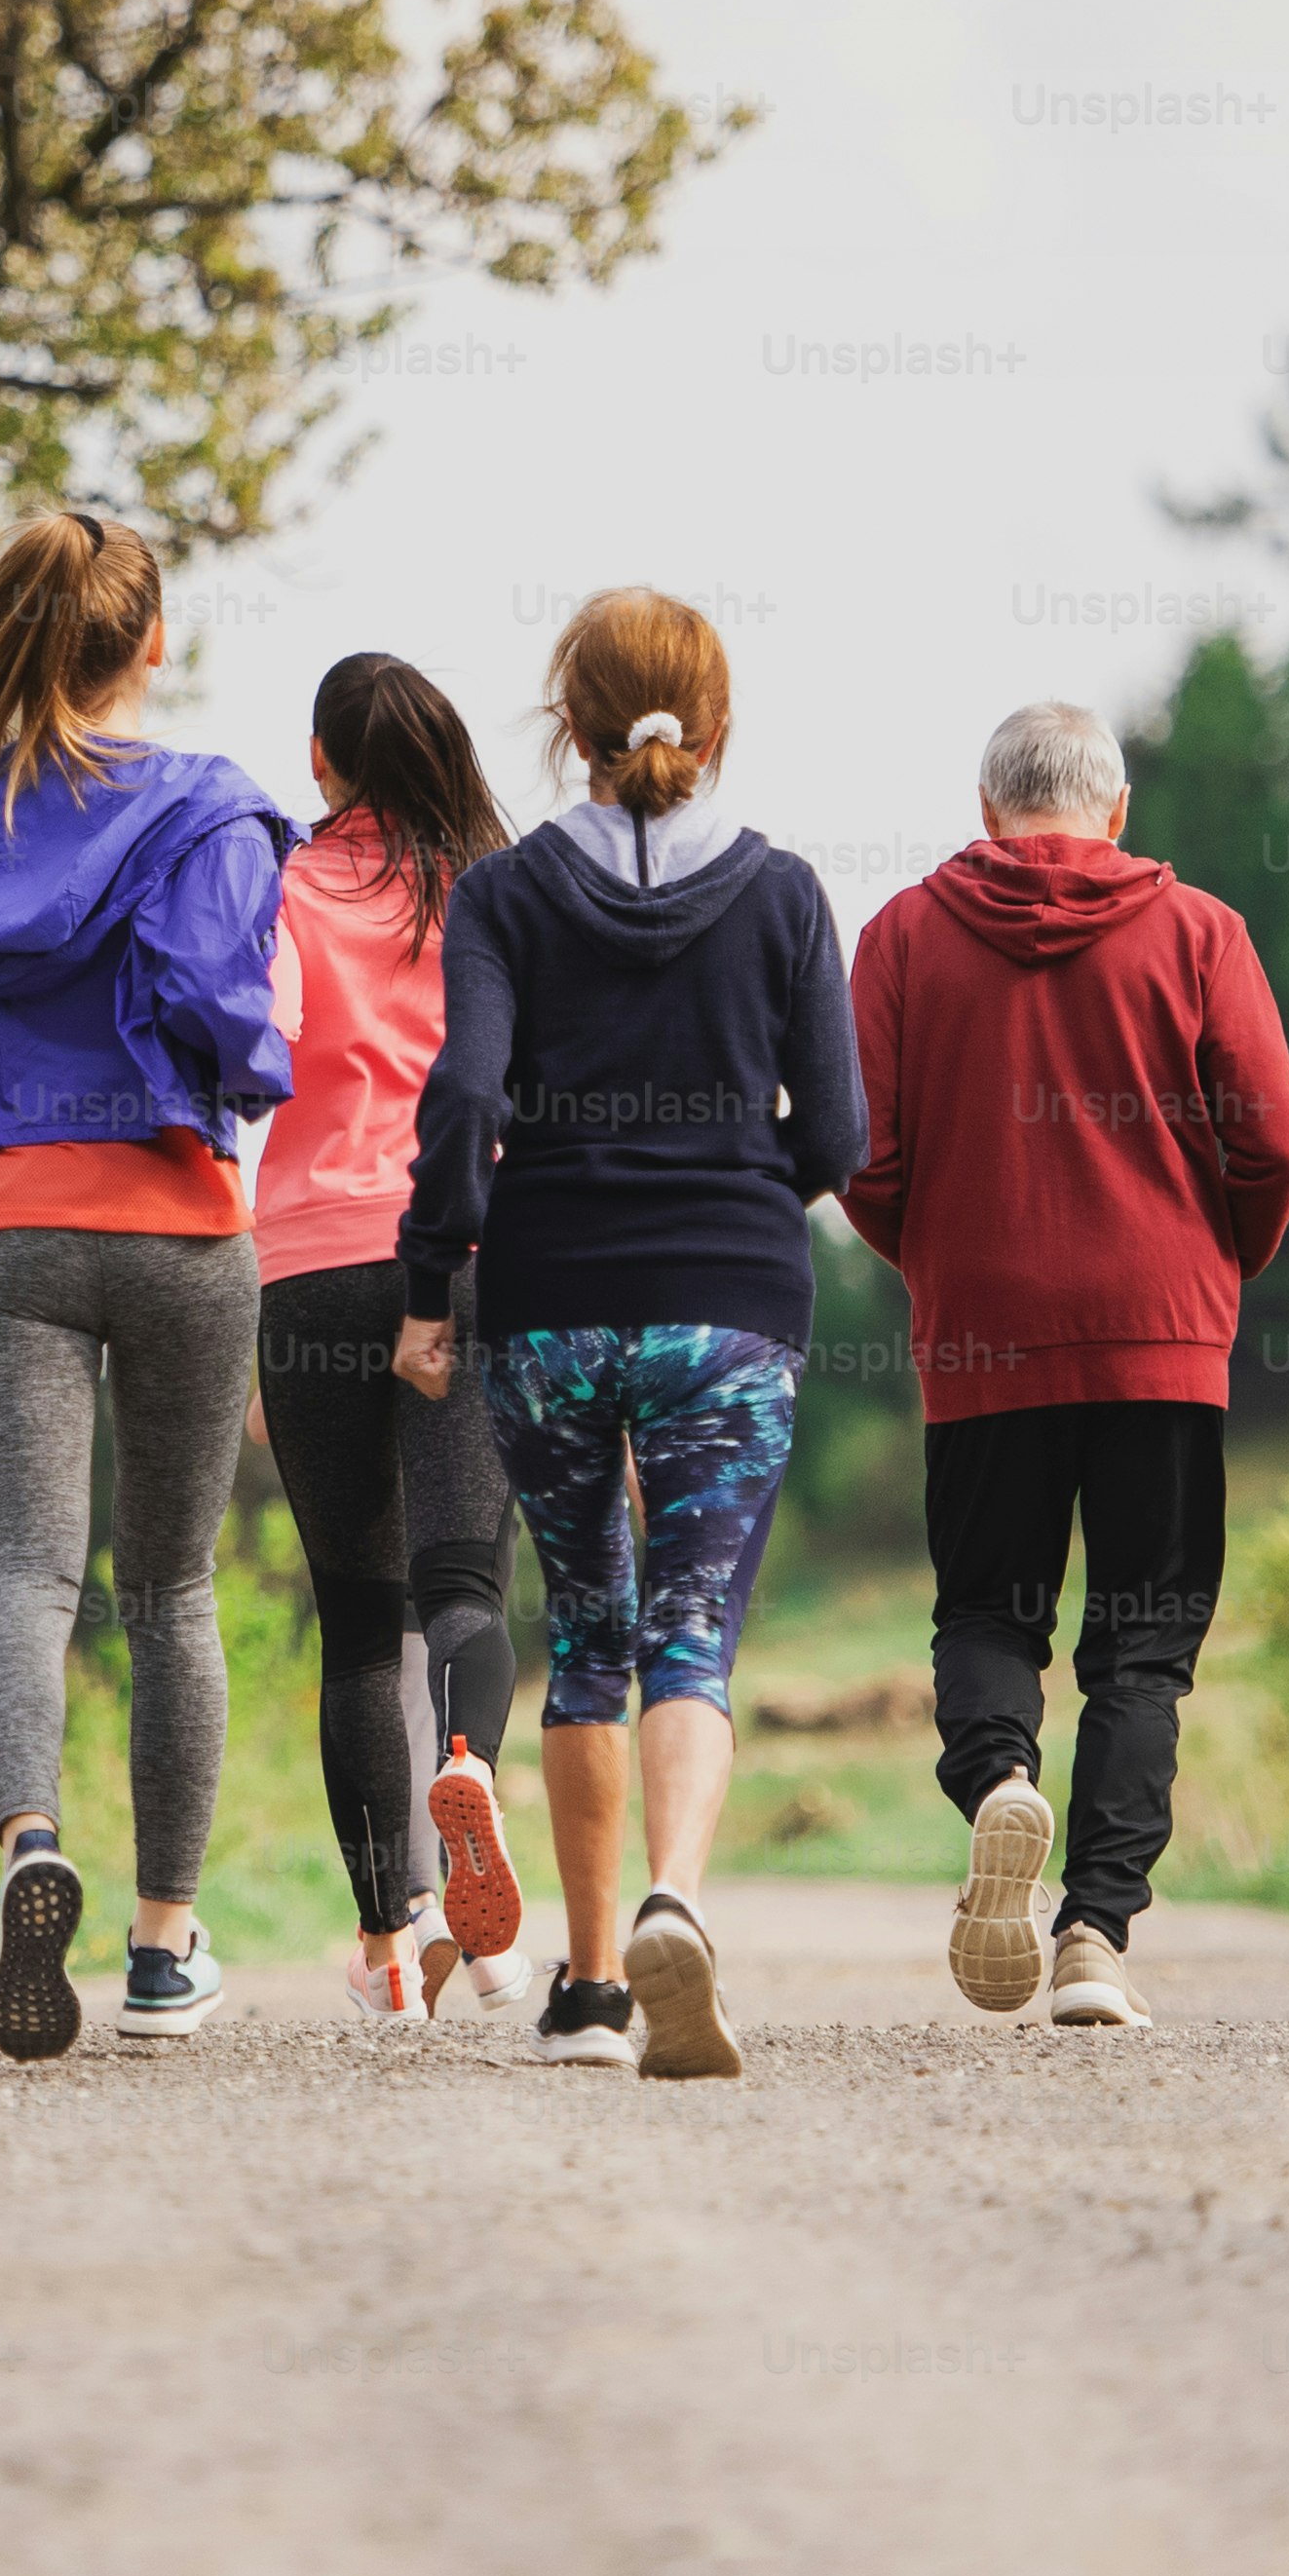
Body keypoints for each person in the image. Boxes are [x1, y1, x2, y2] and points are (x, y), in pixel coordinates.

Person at [397, 587, 860, 2081]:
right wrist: (735, 1195)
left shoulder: (506, 895)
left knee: (586, 1632)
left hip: (548, 1302)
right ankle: (679, 1898)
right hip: (729, 1307)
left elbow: (465, 1100)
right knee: (693, 1631)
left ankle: (592, 1990)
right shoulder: (784, 893)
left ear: (565, 722)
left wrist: (432, 1276)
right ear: (714, 729)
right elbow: (842, 1132)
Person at [0, 515, 294, 2062]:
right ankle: (165, 1949)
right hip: (182, 1224)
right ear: (149, 642)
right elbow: (228, 1014)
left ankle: (32, 1839)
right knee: (170, 1587)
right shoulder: (212, 809)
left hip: (5, 1230)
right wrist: (256, 1067)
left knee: (28, 1571)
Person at [846, 704, 1289, 2030]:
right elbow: (1276, 1142)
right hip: (1161, 1331)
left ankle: (1000, 1775)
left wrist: (938, 1261)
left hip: (984, 1331)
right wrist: (1216, 1269)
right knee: (1144, 1646)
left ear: (987, 809)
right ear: (1115, 814)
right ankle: (1098, 1936)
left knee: (991, 1611)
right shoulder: (1201, 931)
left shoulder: (899, 936)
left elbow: (861, 1156)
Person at [255, 653, 531, 2022]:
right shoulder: (498, 892)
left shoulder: (284, 887)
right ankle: (471, 1760)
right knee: (465, 1581)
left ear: (322, 762)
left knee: (360, 1626)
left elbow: (262, 1042)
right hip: (472, 1250)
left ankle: (390, 1945)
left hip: (310, 1266)